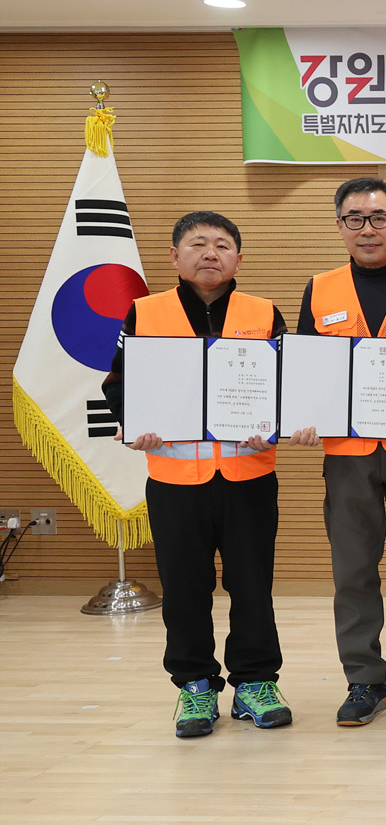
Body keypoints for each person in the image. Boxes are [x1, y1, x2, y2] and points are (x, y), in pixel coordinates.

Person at [105, 211, 289, 737]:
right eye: (198, 243)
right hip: (175, 481)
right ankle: (195, 686)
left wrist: (275, 426)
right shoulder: (145, 312)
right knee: (184, 588)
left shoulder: (263, 312)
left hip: (248, 477)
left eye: (222, 245)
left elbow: (286, 384)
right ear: (175, 256)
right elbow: (118, 385)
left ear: (238, 259)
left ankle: (255, 683)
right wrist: (133, 424)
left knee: (252, 585)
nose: (211, 253)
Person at [285, 178, 386, 726]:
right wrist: (304, 417)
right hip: (347, 453)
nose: (368, 229)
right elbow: (309, 369)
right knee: (353, 570)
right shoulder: (320, 288)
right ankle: (364, 680)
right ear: (340, 227)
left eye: (379, 217)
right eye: (354, 218)